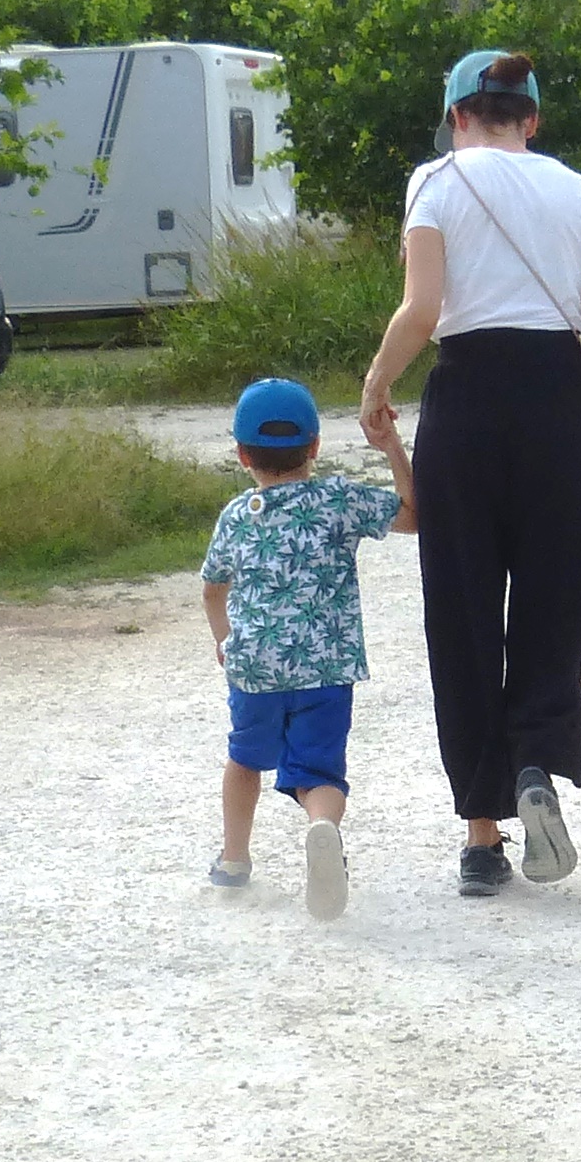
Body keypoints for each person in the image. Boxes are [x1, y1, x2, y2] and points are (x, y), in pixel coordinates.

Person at [360, 47, 581, 900]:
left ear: (457, 117)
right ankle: (536, 768)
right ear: (534, 120)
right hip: (562, 401)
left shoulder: (436, 182)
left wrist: (377, 385)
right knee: (558, 602)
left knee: (465, 607)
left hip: (470, 399)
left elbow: (424, 308)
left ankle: (482, 835)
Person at [197, 374, 408, 919]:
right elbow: (414, 515)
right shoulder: (338, 499)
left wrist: (225, 642)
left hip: (256, 669)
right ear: (314, 446)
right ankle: (321, 828)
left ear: (242, 455)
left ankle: (235, 859)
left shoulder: (236, 516)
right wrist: (393, 449)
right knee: (319, 771)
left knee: (244, 759)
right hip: (326, 666)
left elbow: (213, 589)